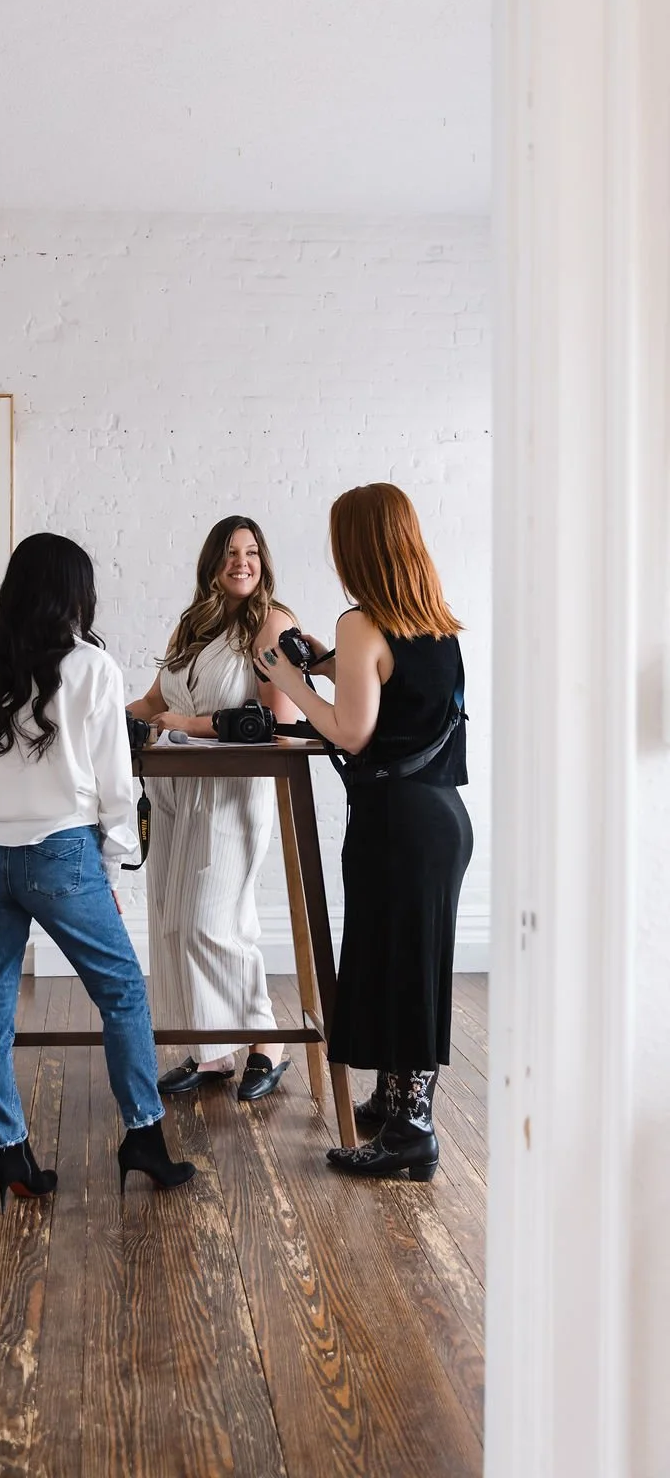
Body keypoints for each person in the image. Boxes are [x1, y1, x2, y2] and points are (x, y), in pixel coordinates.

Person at [0, 533, 195, 1210]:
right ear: (75, 594)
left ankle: (11, 1153)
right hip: (60, 852)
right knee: (121, 993)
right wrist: (111, 860)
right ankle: (143, 1136)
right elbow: (116, 782)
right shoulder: (92, 668)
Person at [254, 484, 473, 1180]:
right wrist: (324, 662)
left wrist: (292, 677)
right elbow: (393, 698)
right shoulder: (434, 625)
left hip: (399, 821)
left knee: (399, 961)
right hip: (440, 816)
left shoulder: (360, 622)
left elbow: (351, 730)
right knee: (413, 960)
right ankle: (395, 1099)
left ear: (358, 546)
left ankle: (412, 1132)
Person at [126, 516, 299, 1102]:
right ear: (211, 563)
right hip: (175, 790)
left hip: (231, 792)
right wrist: (87, 720)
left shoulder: (272, 623)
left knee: (214, 921)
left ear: (264, 561)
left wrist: (188, 725)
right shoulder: (193, 625)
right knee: (173, 920)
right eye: (229, 553)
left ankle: (265, 1039)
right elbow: (154, 700)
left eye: (251, 552)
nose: (241, 562)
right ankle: (213, 1052)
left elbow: (282, 718)